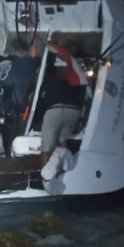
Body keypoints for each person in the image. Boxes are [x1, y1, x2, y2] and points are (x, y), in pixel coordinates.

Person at [37, 42, 87, 180]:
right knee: (62, 141)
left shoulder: (49, 87)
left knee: (47, 145)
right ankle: (60, 174)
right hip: (73, 112)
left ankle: (46, 178)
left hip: (54, 111)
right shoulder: (79, 84)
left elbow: (41, 108)